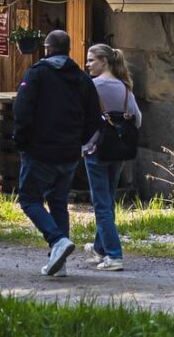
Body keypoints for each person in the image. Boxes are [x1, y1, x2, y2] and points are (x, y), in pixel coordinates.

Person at [9, 28, 103, 276]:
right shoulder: (82, 79)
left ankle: (56, 241)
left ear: (48, 48)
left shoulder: (37, 74)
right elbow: (95, 117)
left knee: (29, 199)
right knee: (58, 201)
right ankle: (58, 263)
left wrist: (22, 141)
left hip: (39, 149)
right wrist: (79, 141)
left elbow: (21, 109)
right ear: (68, 49)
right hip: (70, 151)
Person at [84, 42, 142, 271]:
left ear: (104, 61)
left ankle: (114, 254)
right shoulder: (125, 88)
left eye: (91, 60)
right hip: (118, 151)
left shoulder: (92, 87)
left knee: (101, 204)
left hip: (95, 148)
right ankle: (99, 248)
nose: (88, 64)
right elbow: (137, 120)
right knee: (107, 199)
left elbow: (83, 118)